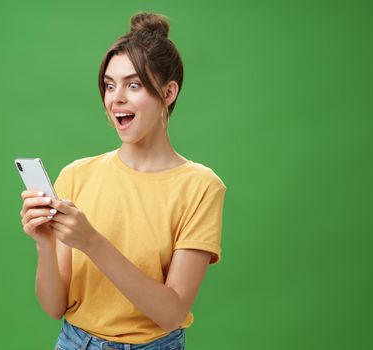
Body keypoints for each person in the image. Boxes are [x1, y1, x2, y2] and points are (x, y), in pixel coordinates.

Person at [19, 11, 227, 350]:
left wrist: (92, 242)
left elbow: (171, 312)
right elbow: (54, 306)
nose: (116, 98)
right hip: (74, 342)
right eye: (109, 85)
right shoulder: (76, 175)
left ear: (169, 92)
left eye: (134, 85)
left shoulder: (201, 187)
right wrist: (44, 243)